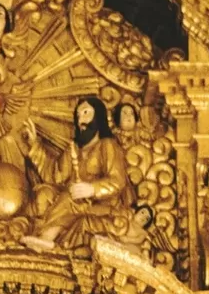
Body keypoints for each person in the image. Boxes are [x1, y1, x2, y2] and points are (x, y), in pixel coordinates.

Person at [22, 96, 131, 253]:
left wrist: (92, 189)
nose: (81, 120)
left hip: (100, 206)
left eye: (86, 113)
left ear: (98, 117)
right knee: (43, 193)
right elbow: (55, 176)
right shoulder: (74, 149)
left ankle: (45, 238)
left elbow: (117, 181)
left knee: (69, 198)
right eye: (78, 116)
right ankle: (35, 233)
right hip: (74, 199)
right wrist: (35, 145)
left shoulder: (108, 145)